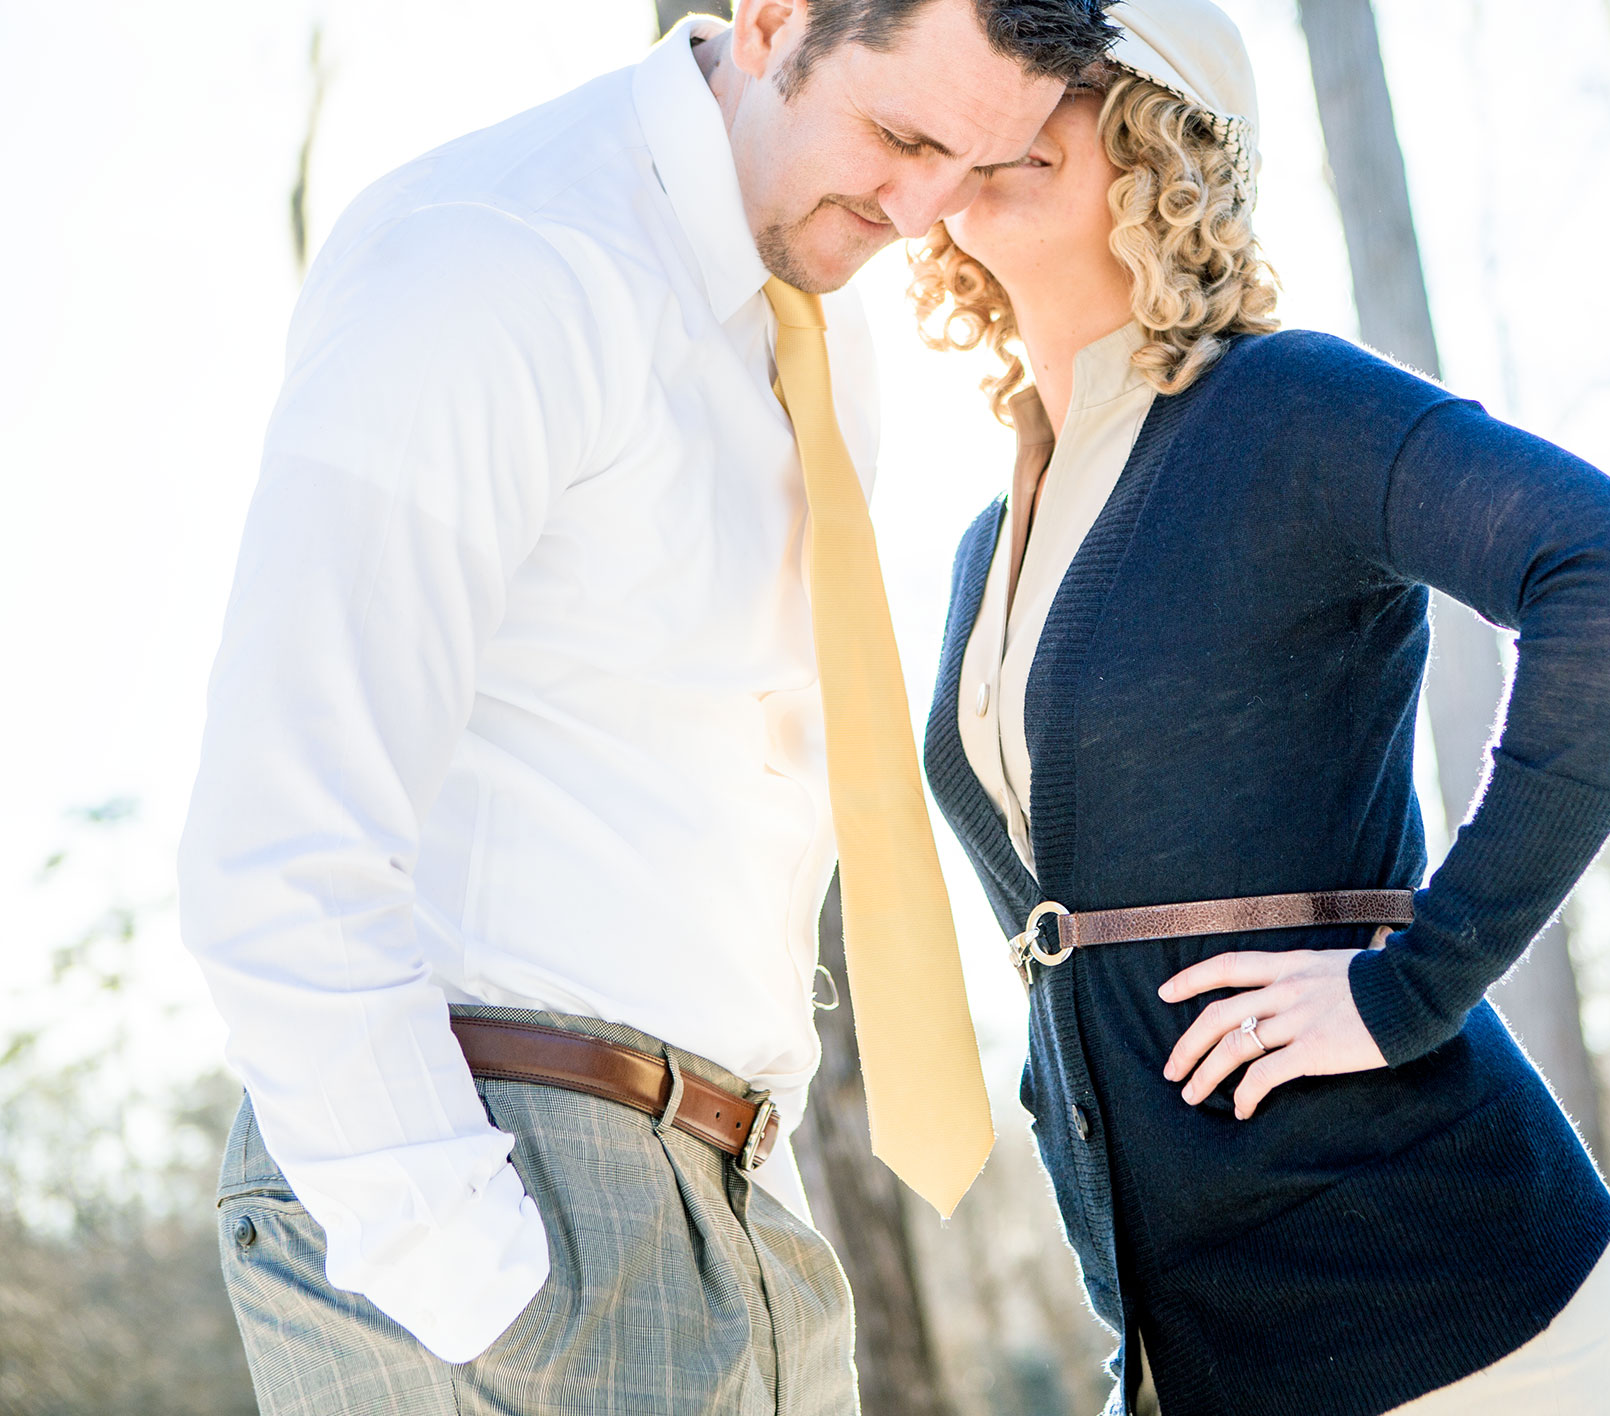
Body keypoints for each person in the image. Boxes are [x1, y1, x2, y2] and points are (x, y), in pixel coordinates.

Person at [175, 3, 1118, 1413]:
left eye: (970, 167)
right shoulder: (500, 256)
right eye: (901, 135)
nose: (923, 214)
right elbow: (277, 843)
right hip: (496, 1184)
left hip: (723, 1196)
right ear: (772, 22)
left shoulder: (816, 333)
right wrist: (485, 1288)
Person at [910, 2, 1610, 1412]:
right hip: (1190, 1344)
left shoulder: (1289, 408)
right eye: (990, 74)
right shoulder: (990, 540)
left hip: (1445, 1302)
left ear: (1168, 132)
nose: (1010, 108)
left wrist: (1414, 985)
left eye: (1065, 78)